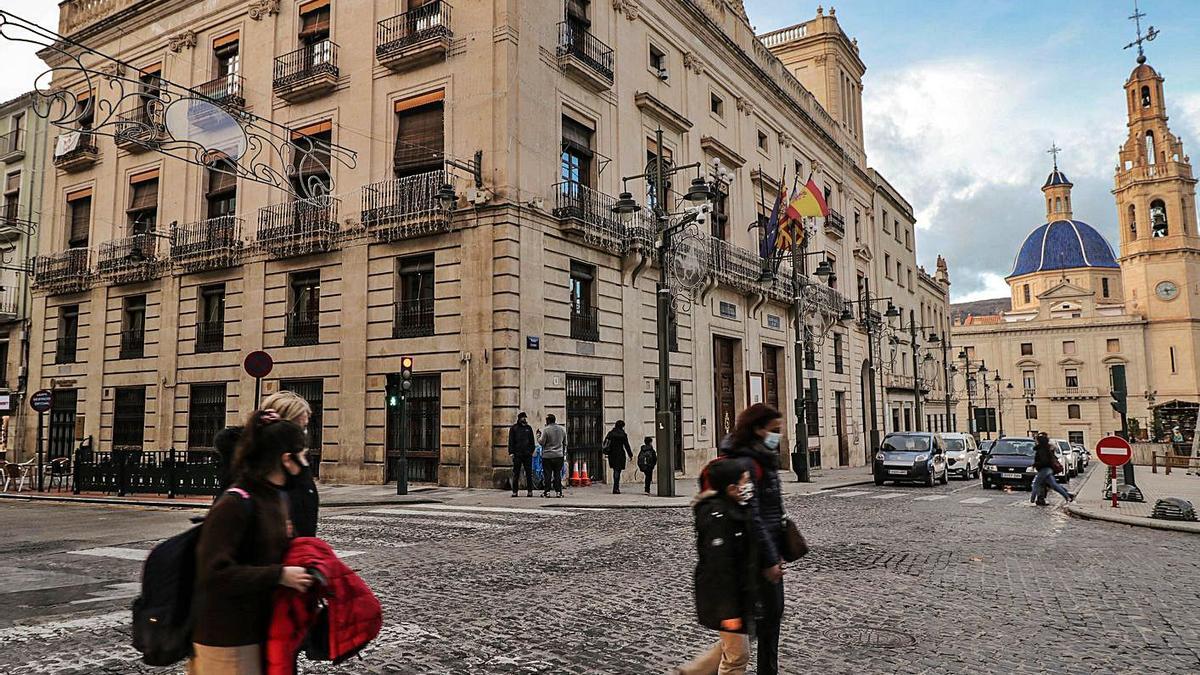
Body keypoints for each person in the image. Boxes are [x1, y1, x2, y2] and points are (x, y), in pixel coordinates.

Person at [189, 411, 313, 675]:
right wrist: (280, 575)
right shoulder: (235, 503)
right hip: (227, 639)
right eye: (301, 456)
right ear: (286, 460)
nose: (305, 464)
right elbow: (213, 574)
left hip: (259, 631)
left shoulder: (274, 499)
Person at [719, 403, 787, 675]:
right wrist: (770, 559)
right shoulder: (748, 464)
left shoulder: (762, 458)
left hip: (764, 554)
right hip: (753, 559)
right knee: (757, 627)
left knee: (761, 626)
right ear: (758, 429)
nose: (777, 436)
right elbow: (753, 515)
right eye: (774, 431)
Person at [675, 459, 757, 675]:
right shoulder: (718, 517)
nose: (749, 486)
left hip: (740, 596)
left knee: (736, 649)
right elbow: (720, 569)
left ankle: (693, 672)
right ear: (730, 488)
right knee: (737, 657)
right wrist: (729, 613)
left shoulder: (735, 508)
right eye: (745, 482)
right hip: (727, 602)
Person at [260, 391, 320, 538]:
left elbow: (308, 524)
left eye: (305, 427)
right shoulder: (259, 468)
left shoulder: (297, 464)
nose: (303, 434)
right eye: (299, 427)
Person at [1031, 432, 1074, 506]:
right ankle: (1068, 497)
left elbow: (1044, 461)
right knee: (1054, 485)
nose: (1036, 441)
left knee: (1036, 484)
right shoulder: (1047, 448)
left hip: (1044, 469)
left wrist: (1035, 464)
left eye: (1037, 440)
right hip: (1048, 469)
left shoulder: (1042, 450)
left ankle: (1032, 501)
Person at [507, 412, 536, 497]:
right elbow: (511, 441)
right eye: (523, 418)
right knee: (516, 473)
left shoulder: (528, 428)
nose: (525, 419)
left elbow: (532, 441)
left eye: (525, 418)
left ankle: (530, 491)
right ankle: (515, 491)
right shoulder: (514, 428)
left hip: (527, 454)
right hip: (517, 454)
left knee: (529, 473)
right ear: (519, 419)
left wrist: (531, 451)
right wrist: (511, 452)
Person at [540, 414, 567, 498]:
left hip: (548, 456)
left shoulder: (546, 430)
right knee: (557, 474)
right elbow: (565, 443)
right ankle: (558, 492)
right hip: (559, 455)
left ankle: (547, 492)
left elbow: (542, 442)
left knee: (547, 474)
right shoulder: (562, 430)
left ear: (548, 421)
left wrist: (538, 436)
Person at [604, 420, 634, 494]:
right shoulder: (623, 435)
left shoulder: (610, 433)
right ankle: (616, 488)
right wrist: (630, 455)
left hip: (612, 454)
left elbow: (605, 442)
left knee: (615, 470)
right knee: (618, 471)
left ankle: (615, 487)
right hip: (620, 454)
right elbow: (627, 445)